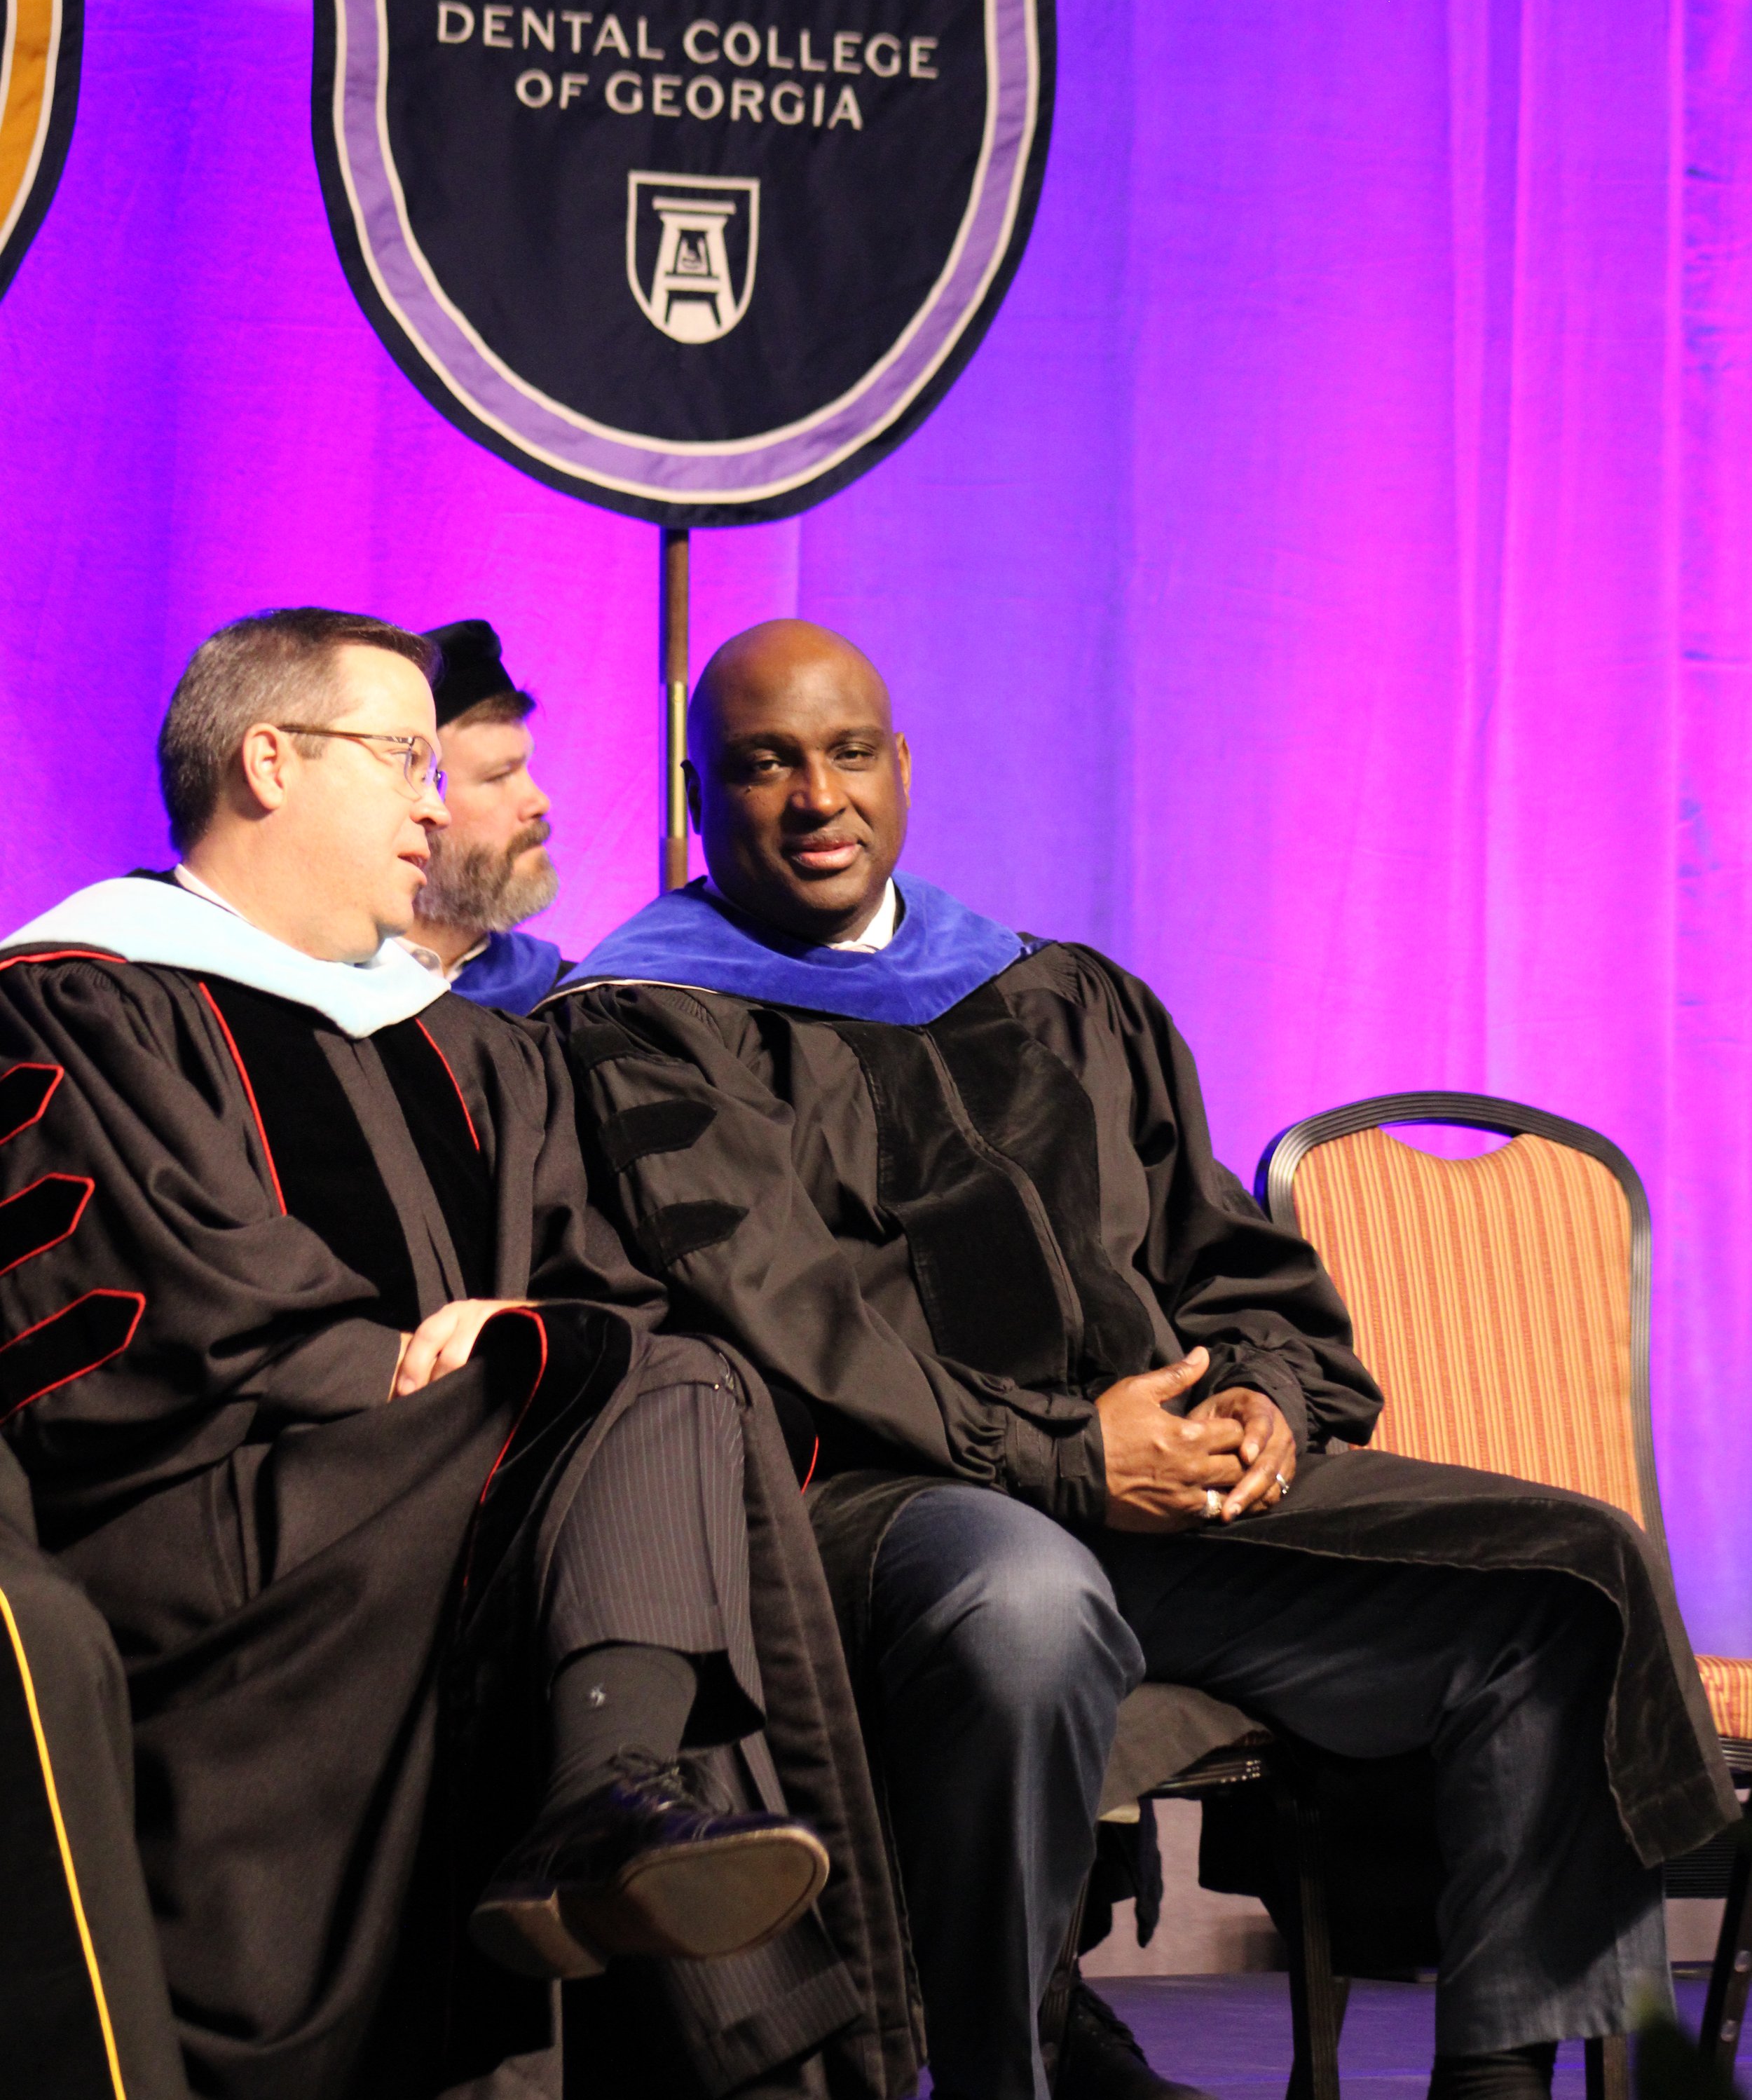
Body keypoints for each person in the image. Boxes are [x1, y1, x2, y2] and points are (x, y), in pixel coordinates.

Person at [542, 619, 1739, 2100]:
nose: (816, 798)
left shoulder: (1059, 997)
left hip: (1155, 1494)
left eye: (848, 753)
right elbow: (782, 1312)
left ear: (902, 766)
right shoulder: (642, 1028)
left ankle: (1498, 2078)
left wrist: (1261, 1402)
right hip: (873, 1508)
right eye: (764, 766)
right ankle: (995, 2075)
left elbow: (1229, 1264)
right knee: (1025, 1602)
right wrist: (1060, 1458)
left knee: (1555, 1577)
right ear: (694, 795)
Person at [0, 609, 913, 2100]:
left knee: (671, 1376)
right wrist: (488, 1374)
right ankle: (674, 1896)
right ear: (269, 761)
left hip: (456, 1499)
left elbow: (600, 1295)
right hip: (224, 1534)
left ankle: (611, 1802)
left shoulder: (477, 1048)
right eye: (405, 760)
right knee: (656, 1388)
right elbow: (155, 1318)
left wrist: (530, 1346)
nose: (441, 804)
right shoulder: (78, 1003)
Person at [409, 618, 569, 1013]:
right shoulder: (302, 1005)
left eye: (527, 769)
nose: (539, 801)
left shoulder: (571, 1009)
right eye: (499, 776)